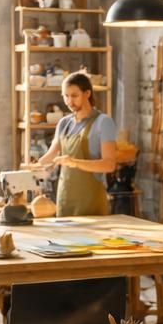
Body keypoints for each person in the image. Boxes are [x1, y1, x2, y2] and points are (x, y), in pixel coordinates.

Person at [31, 70, 117, 216]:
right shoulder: (64, 123)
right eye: (66, 96)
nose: (69, 101)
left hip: (91, 200)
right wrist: (34, 168)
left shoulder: (103, 122)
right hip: (65, 197)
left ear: (87, 93)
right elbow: (51, 154)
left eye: (74, 96)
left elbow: (109, 165)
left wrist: (74, 162)